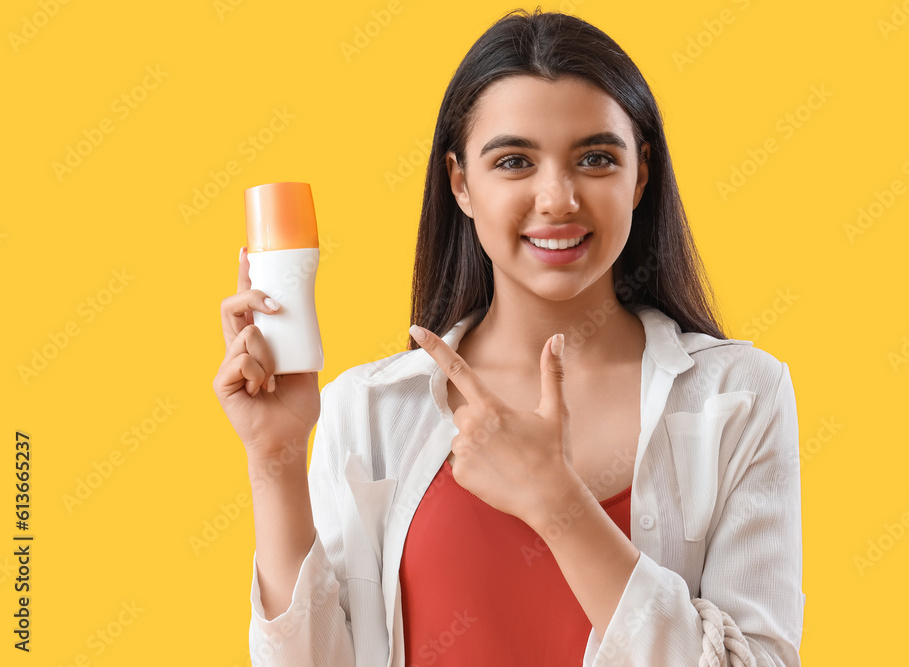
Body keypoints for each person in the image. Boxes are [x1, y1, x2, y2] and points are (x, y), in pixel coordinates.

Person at [214, 7, 804, 666]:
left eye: (596, 158)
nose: (557, 198)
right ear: (461, 182)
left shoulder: (738, 398)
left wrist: (558, 504)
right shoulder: (372, 410)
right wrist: (277, 460)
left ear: (640, 175)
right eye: (515, 161)